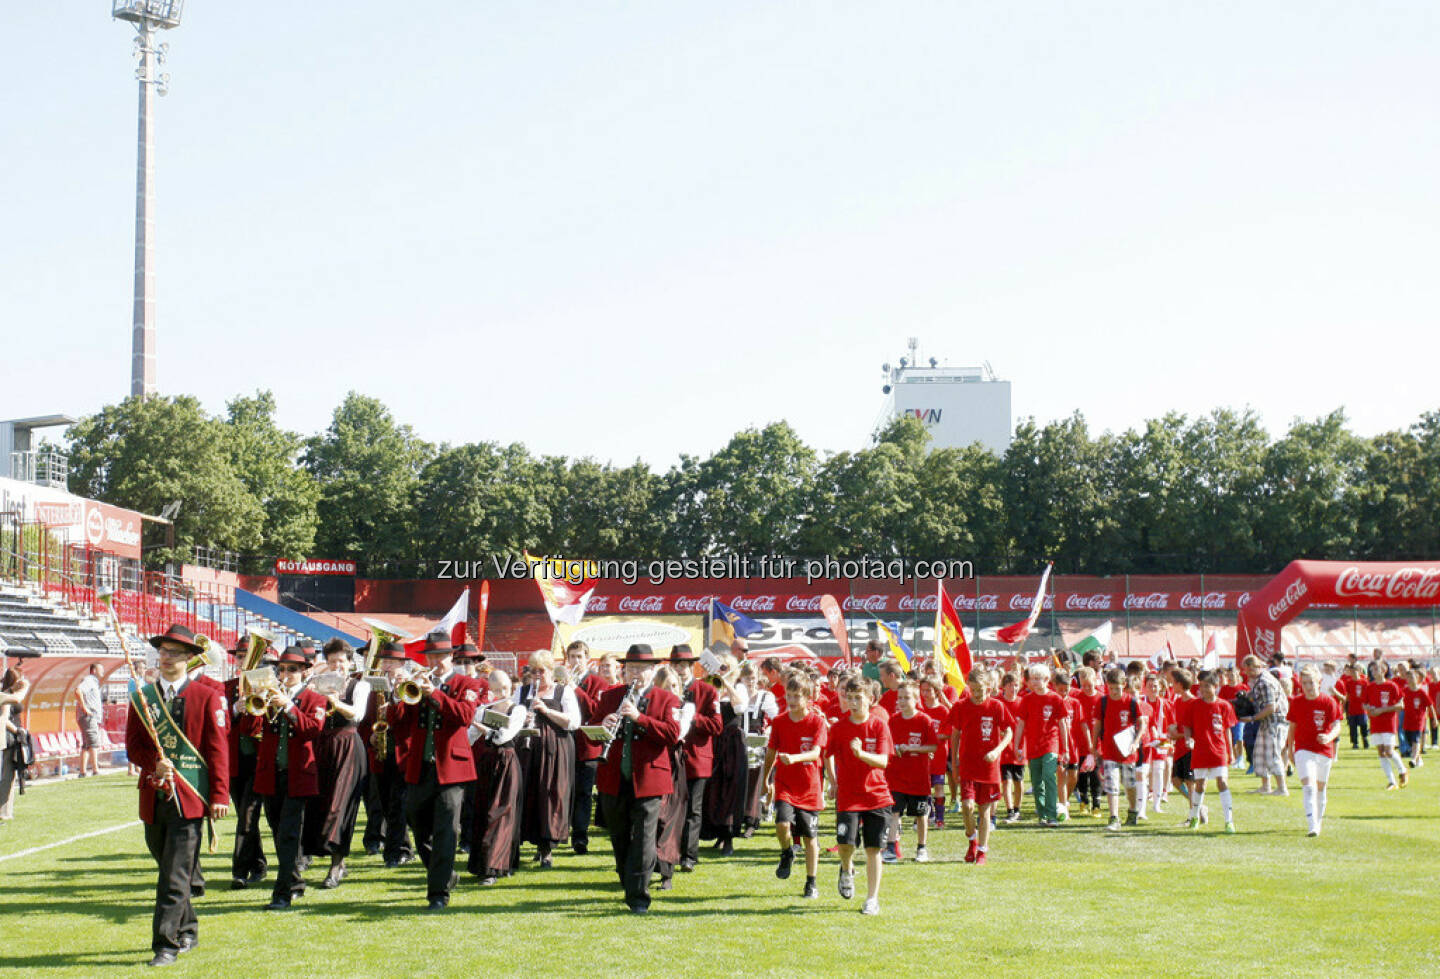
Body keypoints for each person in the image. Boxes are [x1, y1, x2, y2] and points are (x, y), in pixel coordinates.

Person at [125, 625, 230, 967]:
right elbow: (133, 746)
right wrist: (153, 765)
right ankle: (188, 928)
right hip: (154, 797)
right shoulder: (143, 696)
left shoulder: (206, 697)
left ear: (189, 659)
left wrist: (219, 795)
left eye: (174, 653)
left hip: (190, 797)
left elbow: (217, 750)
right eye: (163, 652)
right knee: (172, 869)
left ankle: (165, 945)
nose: (167, 658)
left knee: (173, 874)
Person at [389, 634, 484, 909]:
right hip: (421, 765)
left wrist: (435, 694)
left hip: (452, 769)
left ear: (451, 657)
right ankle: (444, 873)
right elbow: (398, 722)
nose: (434, 662)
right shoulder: (417, 683)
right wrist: (398, 695)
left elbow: (465, 716)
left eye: (440, 656)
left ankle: (438, 894)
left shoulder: (466, 683)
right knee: (417, 824)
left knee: (446, 831)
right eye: (430, 656)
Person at [595, 644, 681, 914]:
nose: (636, 673)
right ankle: (628, 882)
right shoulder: (610, 696)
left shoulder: (666, 699)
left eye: (642, 669)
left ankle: (639, 898)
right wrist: (603, 724)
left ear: (652, 670)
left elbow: (672, 733)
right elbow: (589, 729)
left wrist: (640, 718)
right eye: (631, 668)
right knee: (619, 836)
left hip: (649, 778)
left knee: (644, 839)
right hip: (614, 777)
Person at [253, 646, 328, 910]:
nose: (286, 674)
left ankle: (282, 895)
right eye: (282, 669)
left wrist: (289, 708)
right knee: (278, 832)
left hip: (298, 777)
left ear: (304, 671)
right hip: (270, 775)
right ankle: (295, 882)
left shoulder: (314, 699)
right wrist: (250, 704)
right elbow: (251, 730)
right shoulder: (269, 697)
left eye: (292, 670)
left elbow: (313, 730)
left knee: (288, 835)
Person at [302, 639, 370, 890]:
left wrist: (334, 701)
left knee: (339, 807)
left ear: (350, 663)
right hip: (322, 746)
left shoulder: (359, 685)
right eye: (331, 662)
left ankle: (337, 864)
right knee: (317, 803)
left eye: (341, 661)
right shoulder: (316, 685)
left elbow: (358, 714)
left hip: (348, 745)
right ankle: (308, 855)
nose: (336, 666)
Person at [825, 675, 892, 915]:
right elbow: (828, 754)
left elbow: (883, 761)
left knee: (873, 849)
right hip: (849, 796)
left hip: (877, 795)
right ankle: (846, 868)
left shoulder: (879, 725)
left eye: (858, 697)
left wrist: (861, 753)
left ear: (870, 699)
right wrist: (833, 782)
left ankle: (872, 898)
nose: (853, 702)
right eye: (849, 697)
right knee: (846, 844)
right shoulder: (839, 728)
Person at [763, 671, 827, 898]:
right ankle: (786, 852)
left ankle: (811, 882)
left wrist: (794, 758)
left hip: (809, 787)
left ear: (808, 697)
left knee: (810, 837)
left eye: (796, 696)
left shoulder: (817, 722)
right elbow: (770, 753)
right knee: (781, 824)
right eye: (788, 696)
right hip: (785, 785)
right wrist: (765, 779)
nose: (791, 701)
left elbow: (816, 752)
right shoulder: (780, 722)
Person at [516, 649, 580, 868]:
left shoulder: (564, 692)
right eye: (533, 671)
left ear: (551, 671)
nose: (537, 675)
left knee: (551, 794)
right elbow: (511, 719)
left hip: (556, 751)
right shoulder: (522, 690)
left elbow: (573, 723)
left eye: (541, 671)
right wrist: (521, 717)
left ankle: (547, 848)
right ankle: (534, 842)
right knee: (531, 792)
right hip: (528, 749)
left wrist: (546, 710)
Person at [467, 668, 526, 885]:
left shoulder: (518, 709)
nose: (502, 692)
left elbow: (504, 737)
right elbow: (469, 737)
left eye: (505, 688)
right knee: (483, 811)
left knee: (501, 813)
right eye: (497, 689)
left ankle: (495, 866)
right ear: (490, 689)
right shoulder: (483, 709)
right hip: (487, 763)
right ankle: (483, 864)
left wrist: (484, 729)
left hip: (507, 762)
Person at [949, 665, 1012, 865]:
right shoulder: (960, 706)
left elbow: (1008, 732)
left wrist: (997, 751)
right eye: (973, 690)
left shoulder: (997, 706)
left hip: (988, 768)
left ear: (989, 686)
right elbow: (955, 735)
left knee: (985, 811)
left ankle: (982, 851)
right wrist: (955, 759)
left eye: (980, 690)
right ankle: (971, 840)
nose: (976, 694)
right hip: (968, 764)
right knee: (967, 806)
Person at [364, 643, 416, 868]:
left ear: (402, 664)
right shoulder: (377, 688)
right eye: (384, 662)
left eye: (391, 663)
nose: (386, 667)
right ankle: (398, 847)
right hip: (382, 751)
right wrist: (371, 738)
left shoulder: (409, 687)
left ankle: (397, 852)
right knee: (386, 803)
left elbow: (407, 717)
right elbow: (367, 718)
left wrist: (395, 697)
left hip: (404, 751)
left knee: (399, 804)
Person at [674, 644, 724, 873]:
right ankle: (670, 852)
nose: (681, 669)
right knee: (672, 808)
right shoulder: (664, 689)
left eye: (685, 664)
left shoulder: (707, 690)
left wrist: (692, 718)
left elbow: (716, 726)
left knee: (693, 810)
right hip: (670, 757)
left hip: (697, 758)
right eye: (677, 664)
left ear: (692, 666)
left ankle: (689, 856)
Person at [224, 639, 269, 890]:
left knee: (248, 815)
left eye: (248, 656)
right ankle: (259, 863)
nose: (243, 661)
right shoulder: (227, 687)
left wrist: (260, 698)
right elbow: (220, 722)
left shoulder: (267, 687)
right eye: (240, 656)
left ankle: (239, 871)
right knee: (245, 816)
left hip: (259, 761)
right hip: (234, 762)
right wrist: (234, 708)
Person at [1285, 666, 1342, 836]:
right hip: (1303, 749)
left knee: (1320, 787)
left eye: (1311, 682)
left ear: (1319, 682)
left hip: (1324, 750)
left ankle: (1318, 821)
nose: (1308, 686)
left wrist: (1328, 737)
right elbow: (1292, 727)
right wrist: (1289, 750)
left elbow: (1337, 726)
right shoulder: (1296, 702)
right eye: (1304, 683)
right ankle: (1312, 825)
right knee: (1308, 786)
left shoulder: (1329, 702)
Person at [885, 680, 938, 862]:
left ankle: (921, 848)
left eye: (907, 697)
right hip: (896, 776)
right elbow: (887, 744)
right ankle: (892, 847)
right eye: (900, 698)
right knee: (894, 813)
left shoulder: (924, 720)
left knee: (921, 814)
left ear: (916, 699)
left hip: (918, 777)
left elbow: (933, 746)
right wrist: (896, 748)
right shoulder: (893, 720)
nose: (902, 701)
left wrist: (911, 748)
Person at [1180, 671, 1237, 834]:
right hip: (1201, 751)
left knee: (1222, 782)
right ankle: (1195, 816)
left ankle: (1229, 821)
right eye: (1201, 686)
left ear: (1215, 687)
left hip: (1219, 751)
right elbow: (1187, 725)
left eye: (1207, 686)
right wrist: (1188, 739)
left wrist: (1230, 751)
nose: (1203, 690)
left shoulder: (1224, 705)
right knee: (1200, 784)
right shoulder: (1194, 705)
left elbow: (1227, 730)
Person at [1013, 664, 1069, 828]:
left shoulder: (1055, 699)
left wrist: (1064, 749)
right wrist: (1017, 746)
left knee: (1049, 777)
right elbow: (1021, 724)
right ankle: (1042, 814)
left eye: (1039, 679)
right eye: (1033, 679)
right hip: (1032, 747)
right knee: (1037, 782)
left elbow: (1062, 724)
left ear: (1046, 680)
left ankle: (1052, 815)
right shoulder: (1027, 700)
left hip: (1050, 745)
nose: (1036, 682)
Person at [1093, 667, 1147, 832]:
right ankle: (1114, 817)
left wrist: (1136, 742)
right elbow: (1097, 725)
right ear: (1107, 686)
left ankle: (1132, 810)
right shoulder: (1102, 702)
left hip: (1127, 752)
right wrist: (1094, 746)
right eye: (1111, 688)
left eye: (1118, 688)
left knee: (1129, 785)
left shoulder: (1131, 702)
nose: (1114, 692)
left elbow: (1142, 723)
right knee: (1112, 784)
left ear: (1124, 685)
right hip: (1109, 750)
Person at [1238, 656, 1289, 796]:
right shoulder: (1259, 681)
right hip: (1266, 721)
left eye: (1249, 670)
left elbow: (1271, 707)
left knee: (1272, 754)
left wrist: (1253, 718)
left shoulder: (1264, 682)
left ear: (1256, 667)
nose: (1247, 674)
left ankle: (1282, 788)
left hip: (1275, 721)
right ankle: (1266, 786)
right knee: (1260, 754)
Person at [1363, 668, 1407, 789]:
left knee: (1389, 751)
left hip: (1389, 723)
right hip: (1375, 723)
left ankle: (1402, 770)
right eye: (1372, 670)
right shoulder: (1370, 687)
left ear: (1383, 670)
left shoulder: (1392, 686)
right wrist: (1369, 709)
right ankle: (1391, 781)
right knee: (1381, 752)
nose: (1373, 672)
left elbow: (1401, 705)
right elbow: (1364, 703)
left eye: (1376, 669)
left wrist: (1382, 710)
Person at [0, 664, 31, 822]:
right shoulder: (6, 696)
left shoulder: (10, 693)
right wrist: (17, 730)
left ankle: (6, 811)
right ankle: (3, 812)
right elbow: (4, 719)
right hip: (9, 737)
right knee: (8, 775)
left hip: (14, 736)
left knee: (11, 775)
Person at [75, 663, 104, 777]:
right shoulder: (89, 681)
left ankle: (82, 772)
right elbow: (78, 691)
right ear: (94, 670)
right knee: (93, 743)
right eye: (100, 669)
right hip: (88, 716)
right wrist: (85, 708)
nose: (103, 671)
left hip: (89, 716)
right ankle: (95, 770)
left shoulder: (94, 683)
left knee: (86, 745)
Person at [1400, 672, 1434, 769]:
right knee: (1410, 740)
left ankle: (1413, 759)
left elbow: (1430, 705)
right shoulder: (1405, 690)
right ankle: (1418, 758)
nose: (1410, 680)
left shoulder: (1421, 692)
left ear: (1417, 679)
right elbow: (1399, 701)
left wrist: (1434, 719)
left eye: (1412, 677)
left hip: (1419, 721)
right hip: (1407, 721)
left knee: (1416, 740)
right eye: (1408, 678)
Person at [1337, 665, 1369, 750]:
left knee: (1363, 725)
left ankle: (1365, 739)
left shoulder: (1364, 682)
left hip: (1362, 709)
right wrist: (1343, 706)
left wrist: (1368, 705)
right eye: (1351, 672)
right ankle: (1355, 743)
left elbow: (1368, 695)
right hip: (1352, 708)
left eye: (1354, 671)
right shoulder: (1348, 682)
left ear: (1358, 671)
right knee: (1352, 727)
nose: (1352, 673)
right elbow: (1347, 695)